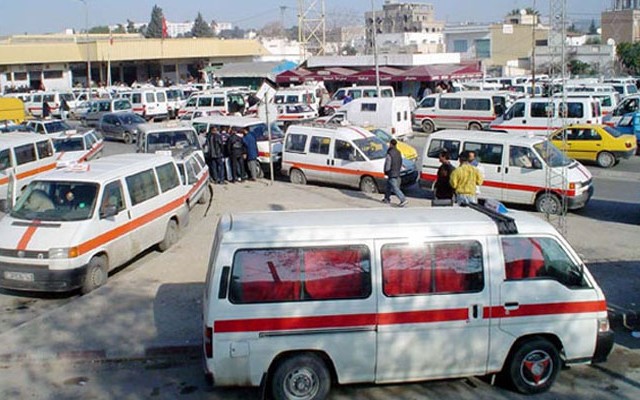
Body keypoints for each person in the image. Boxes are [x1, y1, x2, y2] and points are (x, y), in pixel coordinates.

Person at [382, 139, 408, 207]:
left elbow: (388, 163)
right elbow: (400, 161)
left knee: (394, 187)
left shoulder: (390, 153)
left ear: (391, 144)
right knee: (388, 186)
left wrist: (386, 171)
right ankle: (386, 198)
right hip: (397, 171)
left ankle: (403, 199)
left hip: (391, 172)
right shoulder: (398, 152)